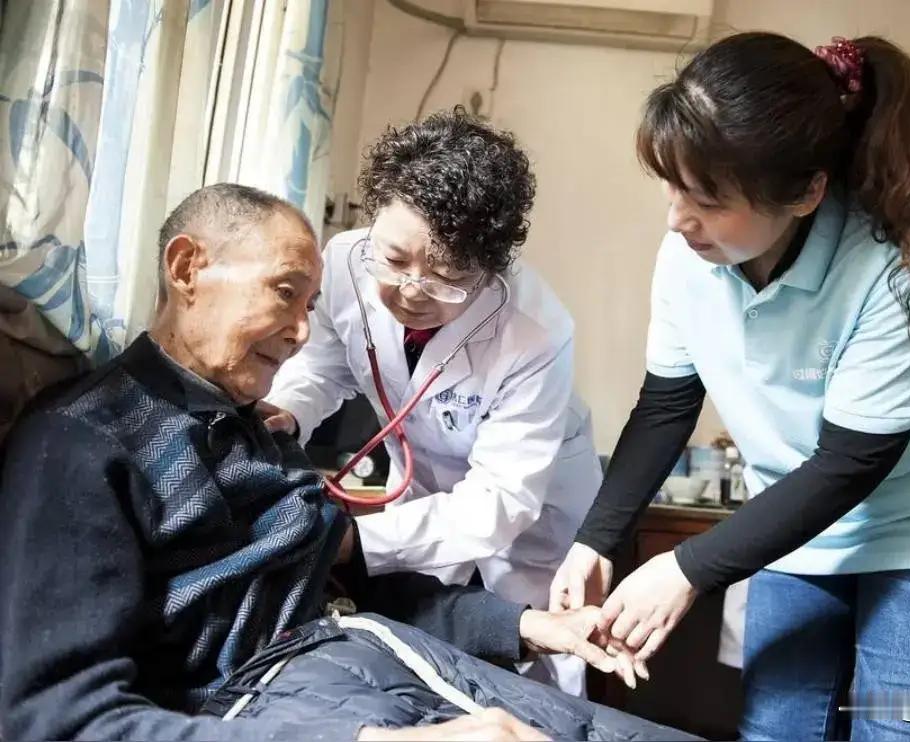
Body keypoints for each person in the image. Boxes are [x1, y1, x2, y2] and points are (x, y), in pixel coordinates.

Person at [0, 184, 651, 742]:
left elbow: (336, 583)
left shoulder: (252, 431)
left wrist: (528, 625)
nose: (304, 332)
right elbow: (59, 717)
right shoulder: (83, 442)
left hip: (376, 663)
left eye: (310, 305)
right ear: (187, 266)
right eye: (285, 293)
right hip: (294, 707)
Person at [549, 32, 910, 740]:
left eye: (707, 198)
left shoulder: (889, 274)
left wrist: (687, 568)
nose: (677, 217)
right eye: (673, 186)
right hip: (797, 527)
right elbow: (667, 405)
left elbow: (850, 462)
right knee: (777, 731)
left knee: (903, 731)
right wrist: (596, 540)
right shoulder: (686, 258)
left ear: (805, 193)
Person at [262, 108, 602, 693]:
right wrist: (289, 409)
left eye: (446, 277)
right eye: (394, 261)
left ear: (490, 268)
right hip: (423, 484)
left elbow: (500, 501)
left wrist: (356, 542)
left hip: (533, 509)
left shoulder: (535, 331)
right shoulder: (344, 260)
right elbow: (324, 366)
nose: (411, 291)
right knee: (424, 633)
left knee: (540, 649)